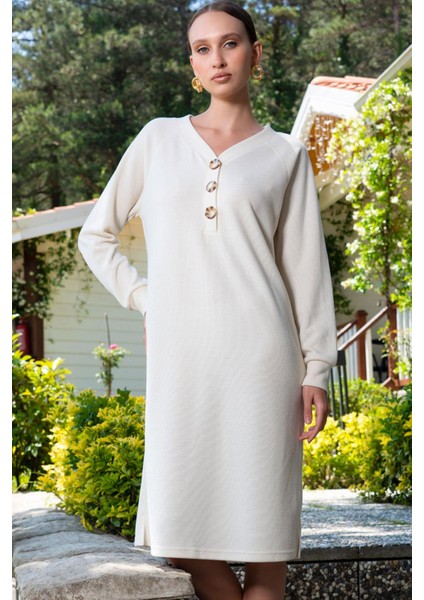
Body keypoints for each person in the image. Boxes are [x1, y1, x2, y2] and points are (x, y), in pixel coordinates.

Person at [78, 1, 338, 598]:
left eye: (230, 43)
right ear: (193, 65)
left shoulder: (285, 155)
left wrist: (317, 368)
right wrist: (146, 297)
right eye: (202, 48)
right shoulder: (159, 139)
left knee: (265, 547)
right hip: (183, 359)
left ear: (255, 53)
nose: (217, 58)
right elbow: (97, 234)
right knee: (180, 535)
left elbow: (305, 271)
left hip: (263, 358)